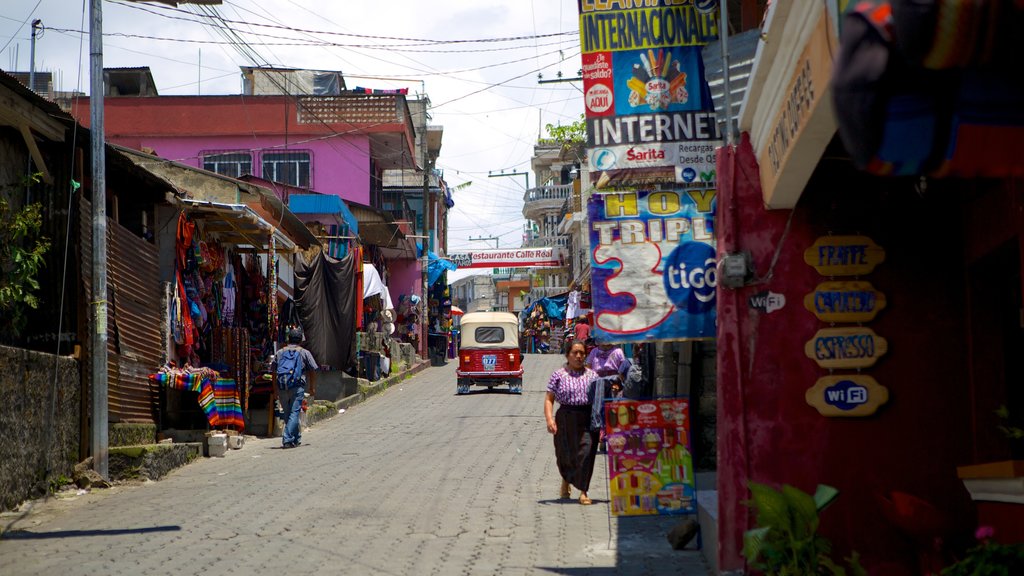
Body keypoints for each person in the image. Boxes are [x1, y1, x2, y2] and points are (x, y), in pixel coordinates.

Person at [544, 340, 599, 505]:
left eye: (582, 353)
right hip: (565, 418)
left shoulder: (592, 376)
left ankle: (583, 491)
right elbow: (549, 399)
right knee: (565, 454)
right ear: (567, 355)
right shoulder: (558, 375)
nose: (579, 356)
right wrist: (549, 419)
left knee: (586, 453)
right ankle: (566, 481)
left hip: (587, 418)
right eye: (575, 352)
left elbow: (599, 399)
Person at [274, 326, 318, 449]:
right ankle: (287, 438)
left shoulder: (280, 352)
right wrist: (312, 387)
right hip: (297, 387)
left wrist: (275, 389)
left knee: (289, 414)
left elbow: (273, 371)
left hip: (282, 386)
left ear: (289, 339)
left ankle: (296, 438)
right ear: (300, 340)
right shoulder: (304, 352)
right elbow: (313, 369)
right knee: (294, 413)